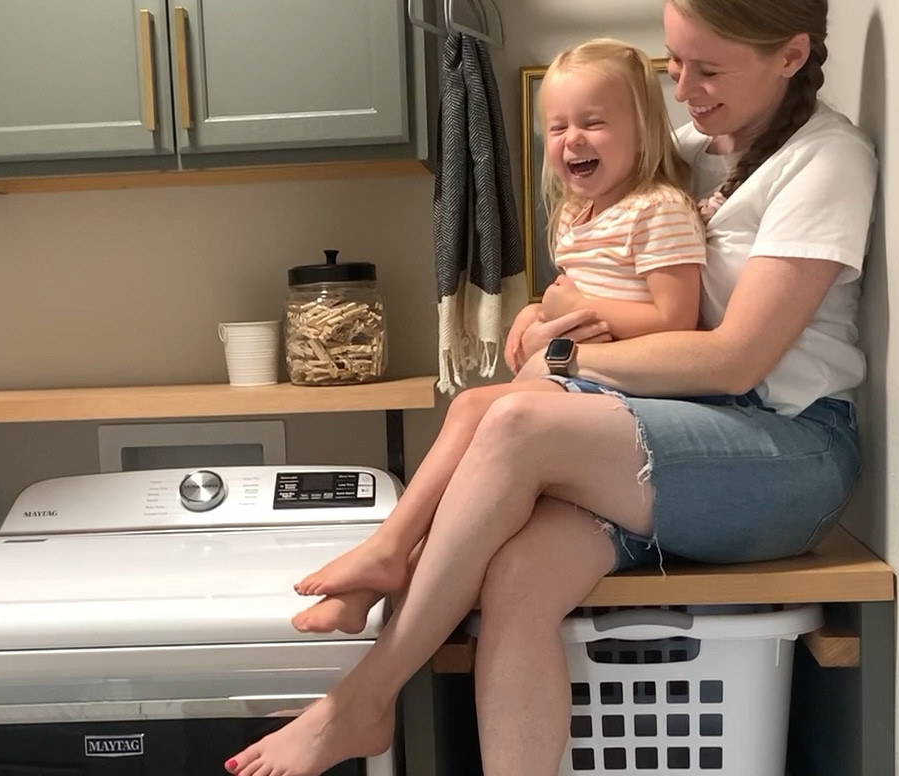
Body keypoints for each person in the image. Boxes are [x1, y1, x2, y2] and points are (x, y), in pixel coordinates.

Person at [225, 0, 877, 776]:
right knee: (518, 576)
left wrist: (563, 355)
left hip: (783, 458)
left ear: (792, 54)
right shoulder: (707, 148)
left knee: (517, 414)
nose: (686, 93)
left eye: (709, 69)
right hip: (680, 444)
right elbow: (614, 192)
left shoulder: (825, 161)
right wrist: (553, 310)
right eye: (674, 64)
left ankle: (370, 687)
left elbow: (736, 358)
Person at [289, 38, 706, 638]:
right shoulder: (577, 215)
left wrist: (571, 307)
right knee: (469, 483)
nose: (573, 139)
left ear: (643, 132)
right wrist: (534, 312)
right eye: (557, 127)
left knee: (472, 409)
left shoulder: (658, 209)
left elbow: (677, 319)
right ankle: (376, 579)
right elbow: (577, 295)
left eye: (593, 123)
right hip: (587, 383)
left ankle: (388, 549)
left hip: (638, 394)